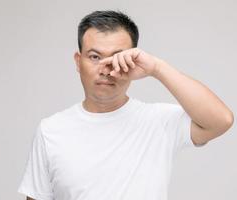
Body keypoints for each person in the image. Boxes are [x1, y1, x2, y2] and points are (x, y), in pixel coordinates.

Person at [17, 10, 234, 200]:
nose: (105, 68)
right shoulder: (51, 130)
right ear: (78, 61)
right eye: (94, 57)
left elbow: (221, 120)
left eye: (117, 57)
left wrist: (157, 68)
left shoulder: (158, 121)